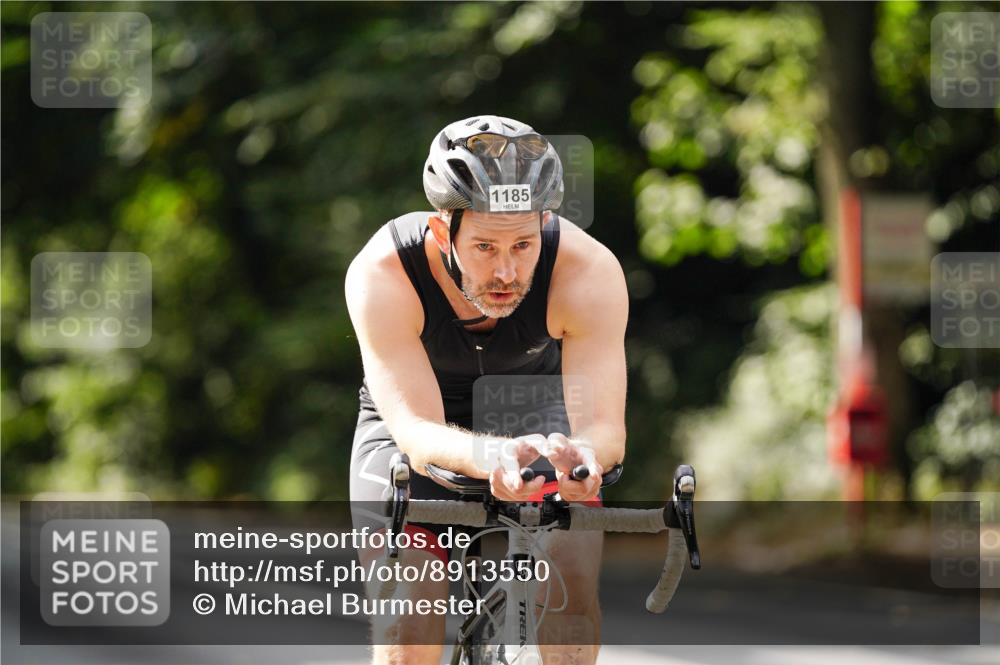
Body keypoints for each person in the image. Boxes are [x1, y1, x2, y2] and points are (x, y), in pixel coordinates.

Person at [345, 115, 627, 665]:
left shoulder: (587, 271)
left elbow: (605, 430)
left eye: (524, 244)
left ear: (546, 221)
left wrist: (582, 459)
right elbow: (418, 435)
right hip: (412, 422)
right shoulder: (383, 273)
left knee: (569, 590)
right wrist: (492, 454)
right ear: (440, 230)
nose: (506, 271)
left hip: (539, 415)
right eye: (484, 247)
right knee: (410, 616)